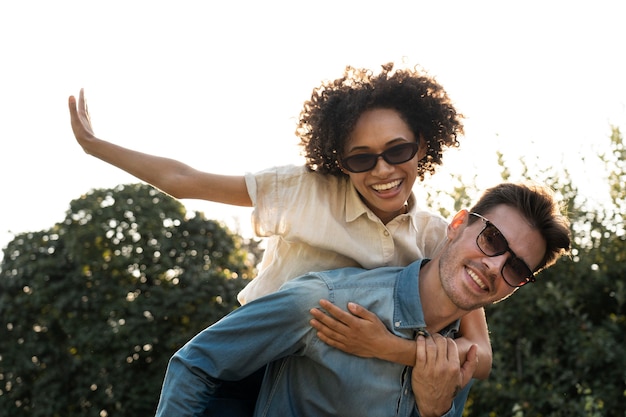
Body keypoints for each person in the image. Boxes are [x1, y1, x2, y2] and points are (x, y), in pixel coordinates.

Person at [68, 62, 491, 411]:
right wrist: (95, 145)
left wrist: (391, 349)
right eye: (361, 158)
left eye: (397, 151)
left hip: (335, 384)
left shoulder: (438, 237)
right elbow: (184, 179)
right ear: (340, 162)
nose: (382, 170)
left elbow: (481, 357)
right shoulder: (303, 190)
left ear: (422, 145)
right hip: (254, 364)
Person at [153, 182, 572, 417]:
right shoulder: (327, 301)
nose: (494, 266)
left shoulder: (454, 359)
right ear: (458, 224)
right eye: (492, 238)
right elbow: (196, 363)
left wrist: (433, 409)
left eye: (516, 268)